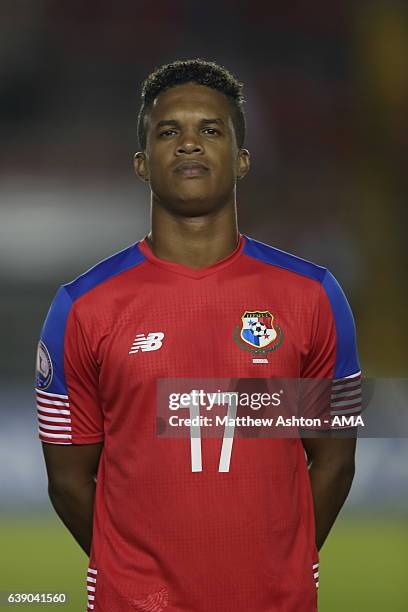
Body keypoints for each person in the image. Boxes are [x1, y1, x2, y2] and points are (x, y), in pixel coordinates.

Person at [36, 59, 362, 612]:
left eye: (210, 129)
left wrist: (284, 564)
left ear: (241, 159)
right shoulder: (81, 306)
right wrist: (131, 577)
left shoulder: (314, 296)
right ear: (142, 164)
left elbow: (334, 461)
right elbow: (68, 482)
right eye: (169, 131)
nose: (189, 144)